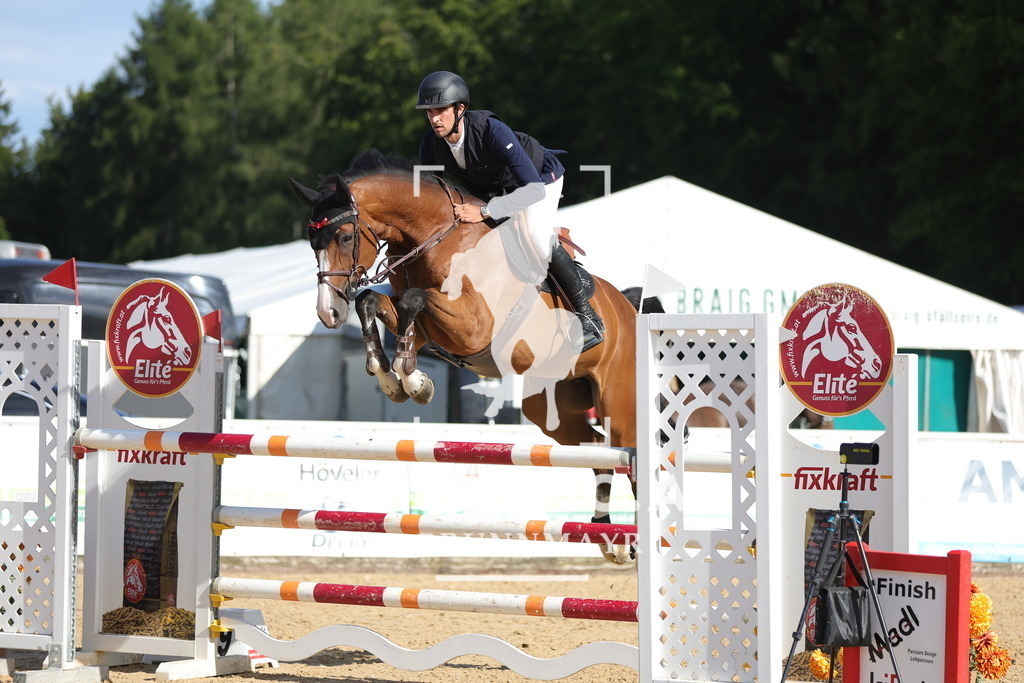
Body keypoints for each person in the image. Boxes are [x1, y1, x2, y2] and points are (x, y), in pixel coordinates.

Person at [415, 70, 604, 352]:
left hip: (539, 180)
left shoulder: (491, 130)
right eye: (429, 112)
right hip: (495, 190)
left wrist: (485, 211)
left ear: (460, 109)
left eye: (440, 110)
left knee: (535, 237)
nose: (434, 119)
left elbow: (532, 190)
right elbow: (430, 194)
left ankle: (588, 318)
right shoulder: (431, 144)